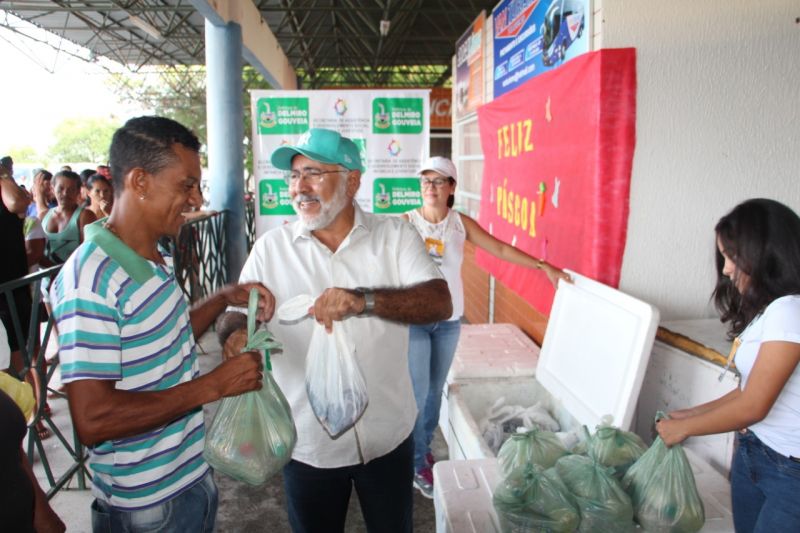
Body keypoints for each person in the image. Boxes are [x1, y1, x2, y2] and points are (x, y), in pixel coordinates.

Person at [216, 128, 451, 533]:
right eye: (293, 176)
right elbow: (237, 313)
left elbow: (438, 301)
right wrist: (235, 335)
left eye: (313, 173)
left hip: (387, 436)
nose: (299, 187)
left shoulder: (393, 236)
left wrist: (364, 300)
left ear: (352, 180)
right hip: (309, 445)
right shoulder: (271, 249)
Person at [49, 116, 270, 532]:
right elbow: (93, 419)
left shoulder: (153, 254)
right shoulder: (91, 280)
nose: (195, 198)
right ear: (140, 182)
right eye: (186, 185)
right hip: (145, 507)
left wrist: (223, 297)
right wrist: (215, 385)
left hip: (188, 478)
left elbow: (165, 334)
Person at [402, 156, 570, 498]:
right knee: (419, 393)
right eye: (425, 181)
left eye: (438, 181)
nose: (430, 187)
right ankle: (417, 462)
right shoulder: (404, 223)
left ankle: (422, 450)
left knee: (434, 393)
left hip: (448, 323)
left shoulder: (459, 224)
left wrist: (543, 266)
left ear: (452, 187)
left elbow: (499, 248)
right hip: (415, 322)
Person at [656, 198, 800, 532]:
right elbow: (747, 391)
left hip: (789, 473)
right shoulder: (771, 309)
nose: (725, 269)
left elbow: (754, 405)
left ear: (765, 252)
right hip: (755, 452)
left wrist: (686, 429)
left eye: (732, 257)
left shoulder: (790, 310)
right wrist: (690, 414)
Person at [40, 170, 96, 266]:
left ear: (78, 191)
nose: (65, 193)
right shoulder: (43, 216)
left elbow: (87, 252)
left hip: (74, 276)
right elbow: (37, 253)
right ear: (52, 189)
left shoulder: (85, 216)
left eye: (71, 189)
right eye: (60, 188)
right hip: (46, 278)